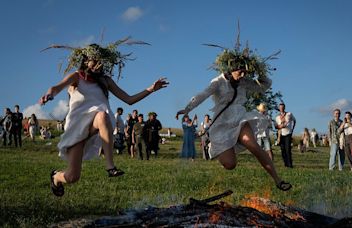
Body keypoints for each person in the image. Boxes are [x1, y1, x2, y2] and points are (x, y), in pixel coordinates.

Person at [39, 40, 168, 197]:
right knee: (72, 177)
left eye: (101, 61)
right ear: (86, 60)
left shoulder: (105, 81)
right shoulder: (76, 77)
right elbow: (56, 87)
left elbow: (129, 99)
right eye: (96, 60)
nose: (99, 63)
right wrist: (49, 95)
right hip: (77, 130)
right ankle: (56, 176)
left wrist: (151, 89)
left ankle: (110, 166)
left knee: (102, 115)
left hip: (96, 126)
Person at [176, 40, 291, 191]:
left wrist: (260, 71)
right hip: (222, 123)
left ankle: (278, 180)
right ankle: (215, 147)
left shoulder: (244, 81)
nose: (242, 75)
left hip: (239, 117)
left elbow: (264, 86)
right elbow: (203, 94)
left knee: (253, 145)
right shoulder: (218, 81)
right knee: (230, 164)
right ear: (231, 69)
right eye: (240, 71)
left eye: (245, 72)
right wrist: (187, 109)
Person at [275, 103, 296, 168]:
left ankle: (290, 164)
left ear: (284, 108)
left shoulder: (289, 114)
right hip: (281, 134)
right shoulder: (277, 117)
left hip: (288, 134)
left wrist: (292, 129)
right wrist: (280, 127)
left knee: (288, 149)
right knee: (283, 150)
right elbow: (276, 127)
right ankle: (286, 164)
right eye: (280, 107)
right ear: (279, 108)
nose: (281, 109)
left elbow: (294, 121)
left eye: (283, 107)